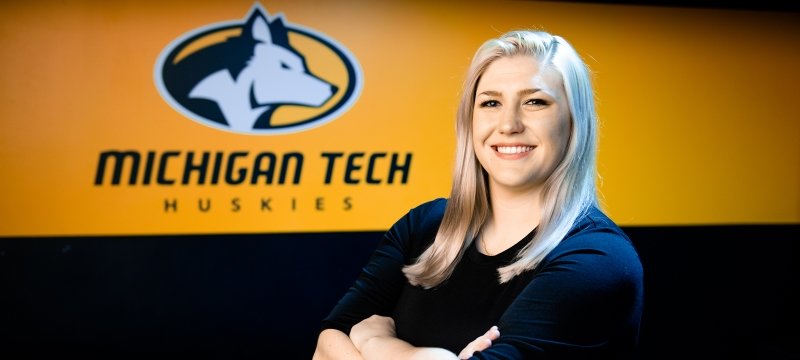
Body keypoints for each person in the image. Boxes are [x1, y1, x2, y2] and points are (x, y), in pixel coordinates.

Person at [313, 29, 644, 359]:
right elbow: (326, 346)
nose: (508, 124)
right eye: (491, 102)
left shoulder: (597, 261)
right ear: (469, 122)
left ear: (574, 121)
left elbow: (348, 340)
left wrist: (378, 344)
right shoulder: (424, 226)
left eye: (535, 101)